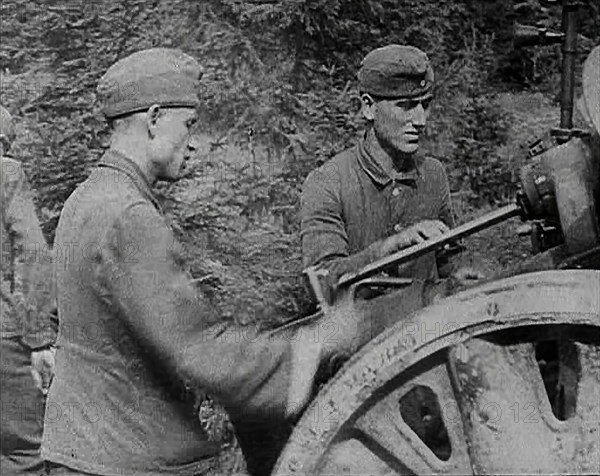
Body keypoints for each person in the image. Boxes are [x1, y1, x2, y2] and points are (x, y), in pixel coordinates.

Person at [41, 48, 374, 476]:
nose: (194, 140)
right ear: (155, 118)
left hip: (83, 448)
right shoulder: (129, 217)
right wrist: (318, 343)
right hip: (125, 458)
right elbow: (198, 348)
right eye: (189, 123)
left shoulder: (86, 198)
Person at [301, 44, 476, 311]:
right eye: (405, 106)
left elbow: (450, 258)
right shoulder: (328, 182)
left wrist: (462, 275)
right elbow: (322, 283)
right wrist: (391, 247)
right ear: (369, 108)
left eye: (424, 105)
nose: (420, 120)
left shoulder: (432, 174)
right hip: (357, 342)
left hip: (425, 335)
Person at [1, 105, 57, 475]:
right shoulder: (7, 173)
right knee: (23, 453)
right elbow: (33, 252)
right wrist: (38, 339)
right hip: (3, 336)